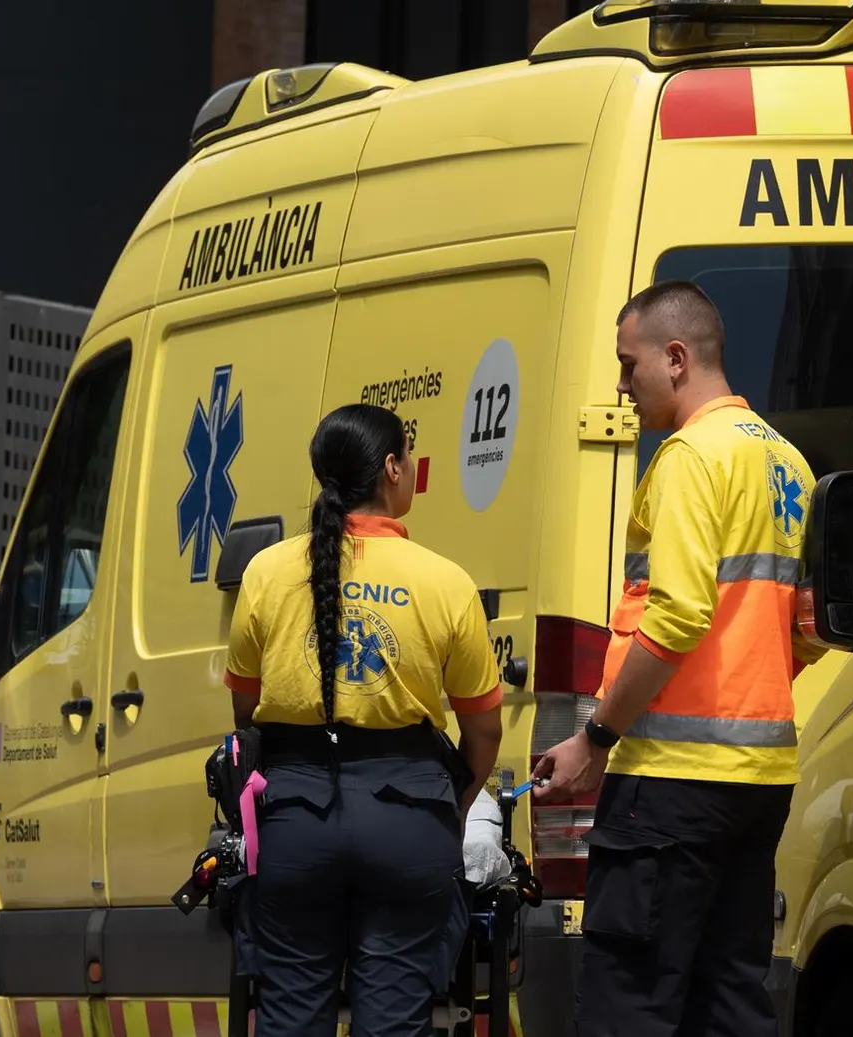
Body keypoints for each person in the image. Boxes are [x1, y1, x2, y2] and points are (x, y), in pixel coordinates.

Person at [533, 281, 821, 1037]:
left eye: (628, 365)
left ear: (676, 357)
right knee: (730, 1001)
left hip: (669, 784)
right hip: (758, 781)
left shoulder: (692, 455)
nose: (621, 385)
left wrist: (597, 736)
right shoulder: (787, 461)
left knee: (629, 1005)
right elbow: (811, 628)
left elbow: (678, 616)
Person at [223, 403, 505, 1037]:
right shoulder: (445, 582)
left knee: (290, 1018)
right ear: (391, 469)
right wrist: (451, 804)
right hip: (409, 821)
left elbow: (246, 712)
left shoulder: (266, 573)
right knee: (396, 1022)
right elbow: (484, 729)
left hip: (294, 818)